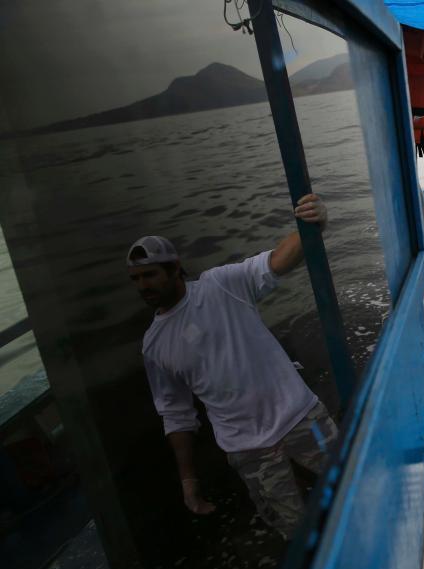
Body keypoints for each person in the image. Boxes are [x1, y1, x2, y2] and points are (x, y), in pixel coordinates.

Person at [128, 193, 338, 539]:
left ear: (175, 268)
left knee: (352, 483)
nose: (143, 286)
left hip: (302, 419)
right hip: (249, 451)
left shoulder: (220, 285)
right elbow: (176, 414)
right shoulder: (153, 345)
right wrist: (188, 481)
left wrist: (313, 224)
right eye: (135, 279)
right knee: (296, 532)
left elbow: (276, 262)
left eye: (149, 275)